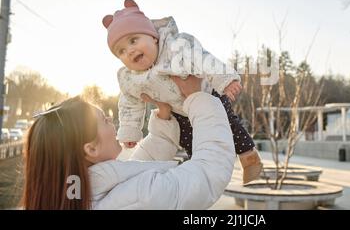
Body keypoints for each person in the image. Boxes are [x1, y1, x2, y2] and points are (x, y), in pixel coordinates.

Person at [101, 0, 262, 184]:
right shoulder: (131, 78)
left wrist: (224, 79)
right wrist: (130, 131)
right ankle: (199, 167)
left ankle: (249, 156)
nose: (129, 51)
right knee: (188, 139)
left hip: (206, 94)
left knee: (227, 123)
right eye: (121, 51)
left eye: (133, 40)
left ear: (153, 36)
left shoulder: (175, 49)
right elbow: (130, 103)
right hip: (179, 111)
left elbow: (203, 60)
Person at [22, 75, 235, 209]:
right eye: (105, 120)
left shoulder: (76, 193)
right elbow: (208, 173)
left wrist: (162, 120)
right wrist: (198, 98)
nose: (112, 123)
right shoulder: (140, 197)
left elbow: (134, 172)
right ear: (91, 148)